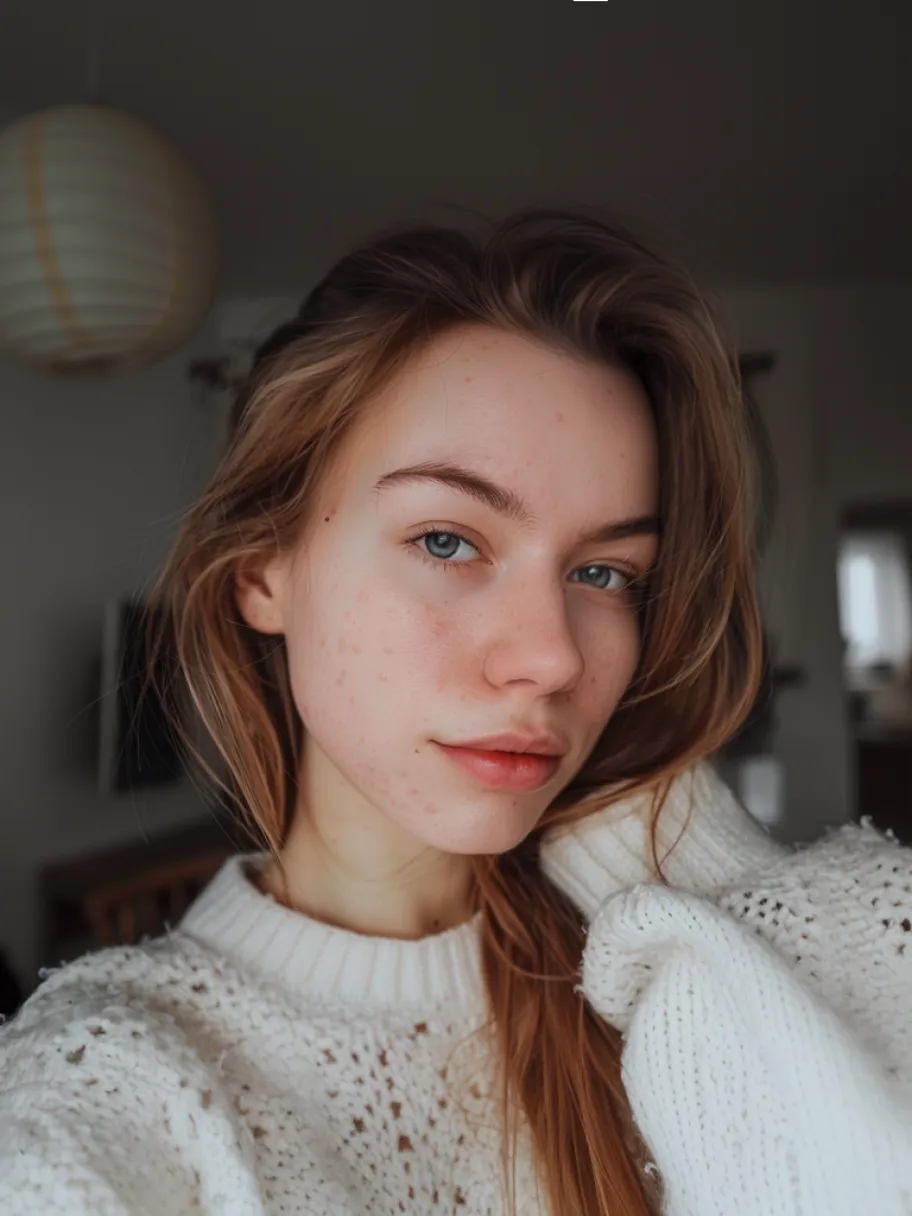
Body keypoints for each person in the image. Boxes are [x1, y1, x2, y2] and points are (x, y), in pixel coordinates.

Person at [1, 210, 910, 1216]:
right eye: (447, 540)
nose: (556, 654)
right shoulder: (115, 1088)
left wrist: (685, 856)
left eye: (605, 571)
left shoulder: (667, 988)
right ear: (262, 569)